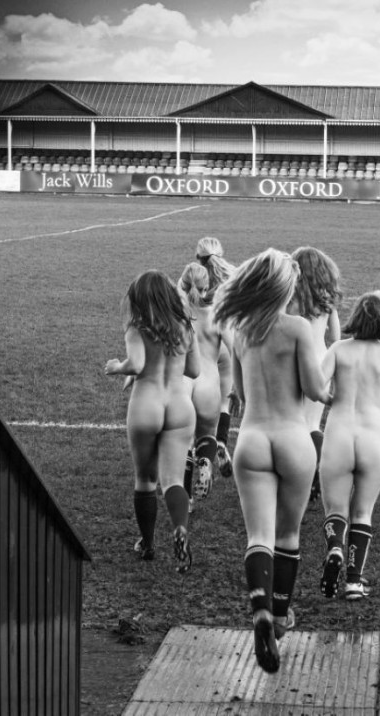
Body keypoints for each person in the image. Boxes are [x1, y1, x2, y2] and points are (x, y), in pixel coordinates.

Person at [213, 248, 330, 674]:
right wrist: (334, 390)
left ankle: (259, 609)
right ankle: (279, 617)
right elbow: (315, 389)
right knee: (288, 535)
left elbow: (242, 394)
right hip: (293, 438)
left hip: (252, 439)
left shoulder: (240, 330)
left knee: (258, 536)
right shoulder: (298, 328)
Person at [105, 270, 200, 573]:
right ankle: (180, 527)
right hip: (179, 406)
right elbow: (195, 371)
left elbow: (137, 363)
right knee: (173, 480)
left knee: (145, 479)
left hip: (147, 404)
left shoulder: (137, 328)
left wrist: (117, 368)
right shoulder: (185, 327)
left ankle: (147, 544)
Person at [318, 293, 380, 600]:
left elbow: (316, 386)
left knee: (335, 509)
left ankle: (335, 548)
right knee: (363, 511)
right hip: (373, 439)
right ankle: (354, 583)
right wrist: (379, 393)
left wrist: (331, 397)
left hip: (339, 435)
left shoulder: (339, 349)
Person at [177, 262, 236, 506]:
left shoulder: (177, 312)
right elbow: (235, 350)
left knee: (182, 442)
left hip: (184, 381)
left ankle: (187, 499)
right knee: (206, 435)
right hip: (209, 385)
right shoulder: (218, 316)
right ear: (207, 287)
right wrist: (238, 386)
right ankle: (205, 459)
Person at [288, 246, 342, 503]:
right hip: (322, 361)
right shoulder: (327, 297)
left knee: (294, 422)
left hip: (296, 361)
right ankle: (316, 475)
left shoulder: (291, 296)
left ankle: (298, 475)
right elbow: (336, 336)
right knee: (313, 423)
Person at [195, 236, 238, 477]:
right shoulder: (233, 279)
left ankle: (203, 451)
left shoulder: (193, 278)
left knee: (199, 404)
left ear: (197, 257)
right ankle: (221, 441)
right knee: (224, 402)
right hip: (228, 342)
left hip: (206, 345)